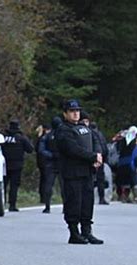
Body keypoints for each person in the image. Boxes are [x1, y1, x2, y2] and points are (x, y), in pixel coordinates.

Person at [56, 99, 103, 245]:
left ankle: (87, 231)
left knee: (87, 202)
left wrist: (98, 156)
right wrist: (92, 157)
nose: (76, 113)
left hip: (87, 171)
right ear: (65, 114)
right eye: (72, 111)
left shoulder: (84, 128)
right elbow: (72, 149)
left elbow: (95, 141)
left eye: (77, 111)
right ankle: (74, 233)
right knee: (74, 202)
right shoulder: (63, 130)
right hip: (72, 172)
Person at [2, 120, 34, 212]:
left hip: (5, 164)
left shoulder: (3, 137)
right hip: (17, 165)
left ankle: (2, 203)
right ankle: (12, 205)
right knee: (14, 186)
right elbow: (30, 149)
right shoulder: (21, 138)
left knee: (3, 184)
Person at [80, 112, 109, 205]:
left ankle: (94, 198)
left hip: (94, 158)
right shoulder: (97, 134)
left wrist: (98, 156)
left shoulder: (91, 133)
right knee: (97, 179)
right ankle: (100, 198)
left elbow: (101, 146)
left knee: (95, 179)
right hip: (93, 159)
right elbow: (103, 147)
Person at [37, 117, 63, 213]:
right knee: (64, 186)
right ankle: (66, 207)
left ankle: (47, 206)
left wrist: (51, 155)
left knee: (48, 185)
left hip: (50, 163)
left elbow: (41, 150)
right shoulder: (64, 136)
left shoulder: (47, 136)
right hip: (61, 163)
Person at [116, 126, 137, 203]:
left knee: (123, 180)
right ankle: (136, 197)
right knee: (133, 180)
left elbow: (118, 149)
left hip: (122, 162)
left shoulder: (122, 139)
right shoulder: (134, 141)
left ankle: (123, 197)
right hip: (131, 162)